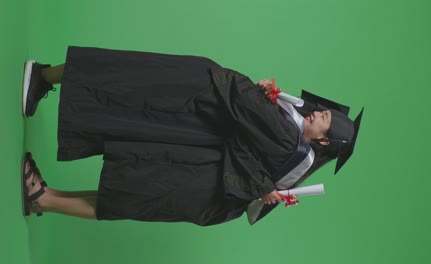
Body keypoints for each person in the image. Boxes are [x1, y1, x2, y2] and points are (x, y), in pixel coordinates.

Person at [22, 46, 363, 226]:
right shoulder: (290, 127)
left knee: (125, 188)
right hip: (194, 121)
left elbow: (242, 100)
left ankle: (44, 198)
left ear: (322, 142)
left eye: (325, 120)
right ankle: (44, 81)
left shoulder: (291, 142)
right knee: (124, 80)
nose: (318, 112)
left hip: (195, 129)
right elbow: (248, 125)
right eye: (324, 111)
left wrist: (255, 93)